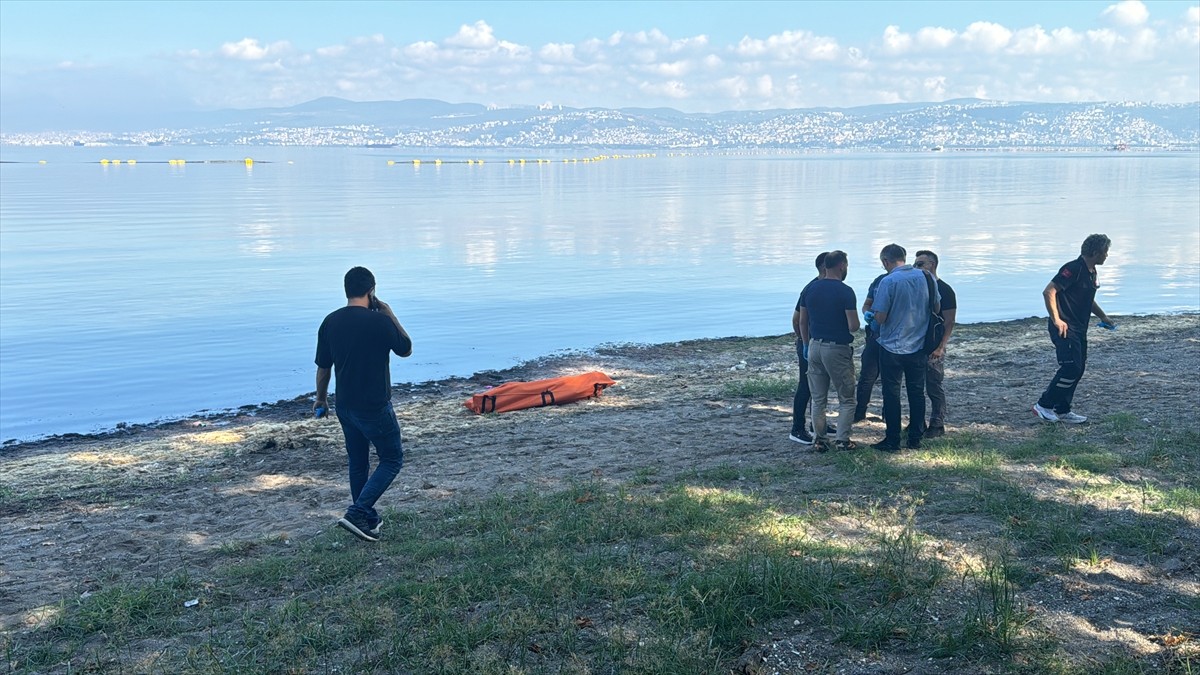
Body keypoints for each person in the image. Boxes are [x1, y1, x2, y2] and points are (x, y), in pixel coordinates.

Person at [315, 266, 414, 542]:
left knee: (358, 462)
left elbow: (324, 368)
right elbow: (406, 348)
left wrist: (320, 399)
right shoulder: (380, 322)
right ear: (372, 291)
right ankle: (358, 512)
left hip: (344, 405)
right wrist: (390, 313)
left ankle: (366, 519)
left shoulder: (330, 322)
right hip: (374, 406)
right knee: (392, 459)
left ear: (346, 290)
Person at [1033, 234, 1114, 424]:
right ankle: (1043, 405)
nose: (1107, 256)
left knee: (1079, 369)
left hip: (1079, 328)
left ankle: (1062, 409)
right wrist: (1057, 319)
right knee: (1070, 367)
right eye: (1105, 252)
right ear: (1095, 252)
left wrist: (1103, 316)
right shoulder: (1073, 268)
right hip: (1064, 327)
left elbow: (1086, 297)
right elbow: (1049, 291)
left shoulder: (1091, 271)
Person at [870, 244, 939, 452]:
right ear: (904, 257)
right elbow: (936, 307)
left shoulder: (888, 281)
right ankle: (915, 437)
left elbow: (881, 317)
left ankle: (892, 439)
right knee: (916, 392)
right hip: (919, 344)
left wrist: (872, 316)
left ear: (885, 262)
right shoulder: (927, 278)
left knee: (891, 394)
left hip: (892, 345)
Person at [798, 251, 860, 451]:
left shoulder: (811, 289)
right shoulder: (845, 291)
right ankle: (843, 440)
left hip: (814, 346)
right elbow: (853, 326)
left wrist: (806, 344)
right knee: (847, 398)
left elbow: (802, 320)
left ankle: (820, 440)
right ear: (842, 266)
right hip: (837, 348)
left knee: (818, 398)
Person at [913, 250, 957, 438]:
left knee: (934, 384)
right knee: (916, 385)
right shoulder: (917, 287)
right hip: (917, 344)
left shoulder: (945, 289)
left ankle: (937, 423)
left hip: (935, 343)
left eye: (920, 264)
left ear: (932, 264)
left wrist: (941, 346)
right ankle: (918, 422)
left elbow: (949, 321)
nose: (916, 268)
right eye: (915, 264)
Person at [789, 252, 827, 445]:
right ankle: (797, 428)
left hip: (822, 343)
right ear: (824, 267)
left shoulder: (827, 287)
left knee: (819, 385)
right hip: (808, 344)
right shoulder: (810, 288)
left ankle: (817, 424)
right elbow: (796, 320)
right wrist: (804, 341)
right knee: (805, 386)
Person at [853, 268, 888, 422]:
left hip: (893, 338)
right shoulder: (879, 280)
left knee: (890, 378)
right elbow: (867, 304)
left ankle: (888, 413)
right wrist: (867, 312)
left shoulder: (902, 282)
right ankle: (859, 413)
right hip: (874, 335)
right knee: (867, 377)